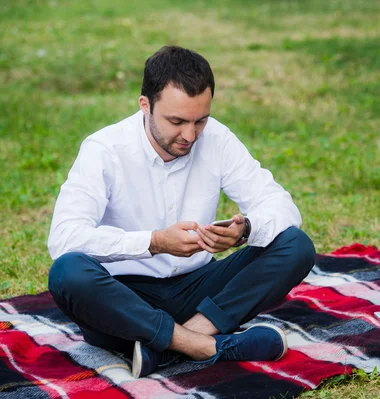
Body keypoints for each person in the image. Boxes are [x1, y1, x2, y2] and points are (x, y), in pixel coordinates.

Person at [47, 45, 316, 378]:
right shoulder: (105, 150)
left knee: (296, 245)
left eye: (200, 120)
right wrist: (155, 242)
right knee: (68, 272)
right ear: (145, 105)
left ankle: (169, 345)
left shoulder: (217, 139)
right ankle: (208, 347)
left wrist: (245, 230)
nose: (190, 135)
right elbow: (63, 239)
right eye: (176, 121)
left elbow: (280, 206)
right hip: (123, 301)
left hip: (199, 290)